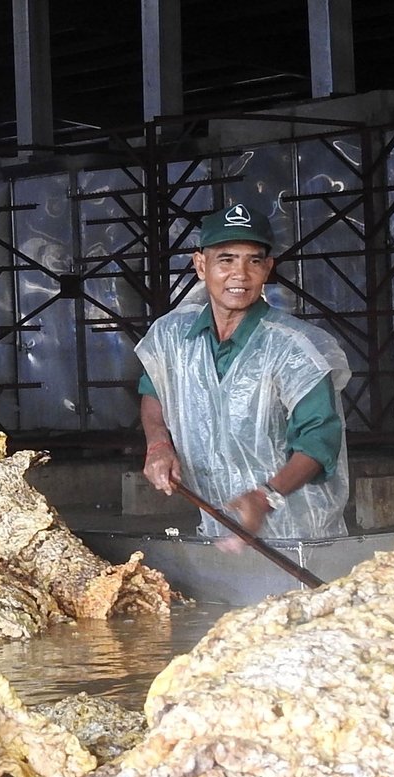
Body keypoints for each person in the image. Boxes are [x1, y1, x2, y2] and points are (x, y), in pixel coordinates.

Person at [135, 202, 351, 545]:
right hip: (219, 531)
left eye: (253, 260)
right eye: (226, 259)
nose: (240, 274)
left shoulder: (296, 348)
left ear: (268, 268)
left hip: (298, 539)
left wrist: (265, 498)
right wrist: (159, 444)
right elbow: (155, 391)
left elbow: (318, 441)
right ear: (200, 265)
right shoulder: (171, 337)